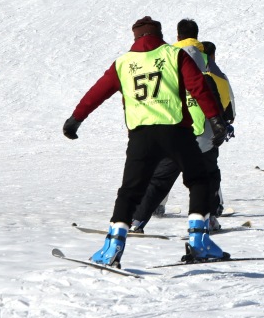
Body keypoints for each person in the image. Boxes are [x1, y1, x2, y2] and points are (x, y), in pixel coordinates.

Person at [62, 16, 230, 265]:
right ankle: (199, 241)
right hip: (176, 131)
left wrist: (76, 119)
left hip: (141, 135)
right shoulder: (174, 55)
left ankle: (112, 247)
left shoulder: (123, 63)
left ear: (136, 36)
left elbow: (97, 93)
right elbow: (198, 87)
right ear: (159, 34)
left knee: (129, 191)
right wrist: (216, 119)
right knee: (199, 180)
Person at [131, 37, 235, 234]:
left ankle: (137, 221)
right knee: (208, 178)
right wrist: (223, 127)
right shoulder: (207, 79)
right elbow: (216, 109)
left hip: (175, 139)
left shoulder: (169, 81)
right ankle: (209, 219)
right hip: (204, 140)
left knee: (160, 181)